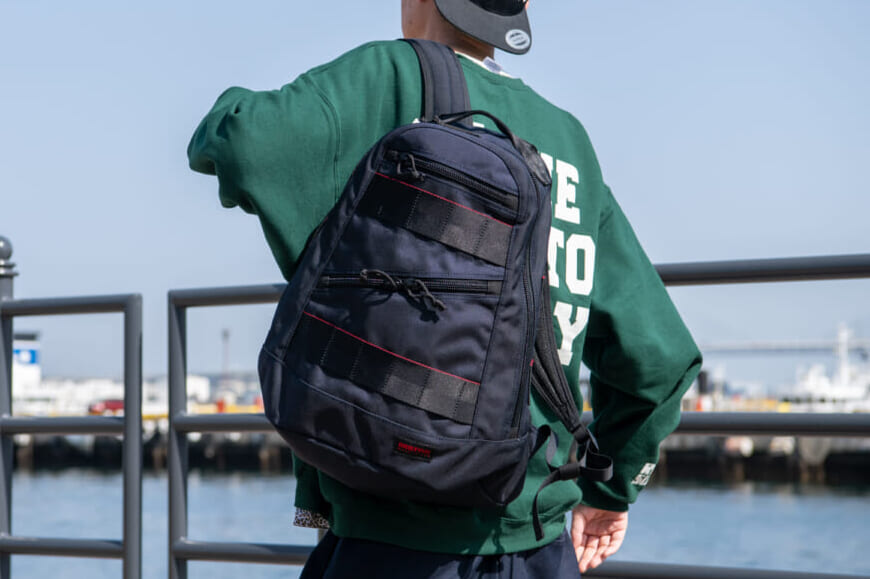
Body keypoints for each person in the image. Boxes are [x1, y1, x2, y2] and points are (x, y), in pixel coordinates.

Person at [188, 1, 702, 576]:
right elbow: (660, 360)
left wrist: (223, 117)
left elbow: (241, 141)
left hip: (390, 540)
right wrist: (611, 493)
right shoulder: (566, 139)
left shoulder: (386, 78)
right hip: (538, 543)